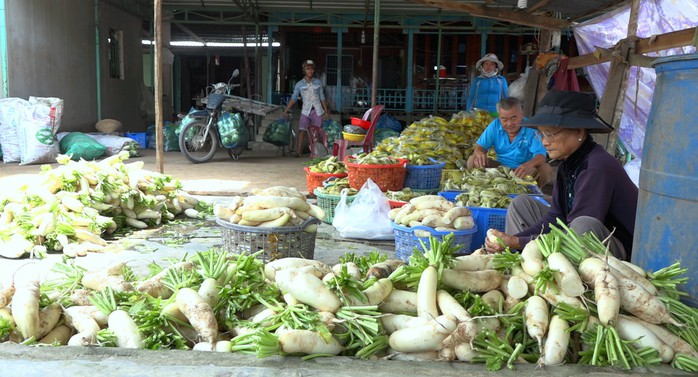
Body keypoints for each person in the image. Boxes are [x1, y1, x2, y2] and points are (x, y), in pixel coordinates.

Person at [484, 91, 638, 261]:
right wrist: (512, 240)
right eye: (541, 134)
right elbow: (555, 217)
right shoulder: (567, 164)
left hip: (616, 249)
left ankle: (556, 271)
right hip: (575, 235)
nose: (544, 142)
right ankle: (521, 261)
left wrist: (517, 242)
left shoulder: (596, 167)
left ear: (579, 132)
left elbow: (577, 233)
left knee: (582, 225)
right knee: (521, 204)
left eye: (550, 134)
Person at [466, 97, 553, 187]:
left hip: (524, 171)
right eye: (504, 119)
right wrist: (480, 153)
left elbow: (541, 156)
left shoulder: (531, 128)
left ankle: (531, 193)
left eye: (513, 118)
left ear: (521, 113)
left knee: (545, 169)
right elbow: (480, 147)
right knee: (472, 160)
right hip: (501, 169)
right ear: (499, 116)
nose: (509, 124)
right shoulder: (495, 125)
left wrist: (529, 165)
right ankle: (485, 188)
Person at [283, 59, 330, 157]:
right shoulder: (299, 84)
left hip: (317, 111)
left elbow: (322, 97)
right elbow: (294, 98)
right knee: (301, 131)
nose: (310, 71)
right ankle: (298, 152)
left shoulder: (318, 82)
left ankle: (314, 153)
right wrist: (286, 110)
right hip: (305, 111)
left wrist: (326, 111)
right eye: (308, 69)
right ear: (304, 70)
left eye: (312, 69)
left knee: (316, 133)